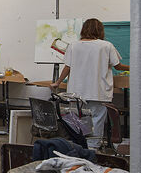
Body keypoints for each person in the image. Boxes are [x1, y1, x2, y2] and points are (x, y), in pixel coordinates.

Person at [51, 18, 129, 148]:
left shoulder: (73, 45)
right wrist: (134, 67)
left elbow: (67, 67)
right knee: (97, 120)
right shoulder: (106, 45)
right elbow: (118, 66)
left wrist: (57, 82)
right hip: (98, 91)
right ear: (100, 30)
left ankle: (80, 145)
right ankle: (93, 147)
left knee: (77, 119)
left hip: (76, 92)